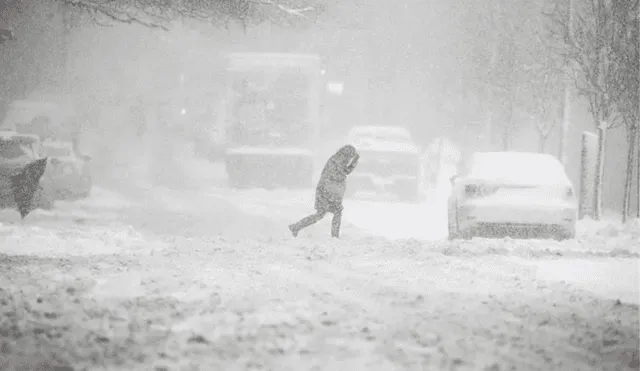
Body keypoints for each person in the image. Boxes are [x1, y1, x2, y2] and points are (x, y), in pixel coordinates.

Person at [289, 144, 360, 238]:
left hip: (330, 191)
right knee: (326, 213)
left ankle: (296, 226)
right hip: (326, 191)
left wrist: (354, 162)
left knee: (324, 214)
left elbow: (346, 171)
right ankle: (334, 236)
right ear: (346, 154)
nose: (349, 159)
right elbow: (339, 174)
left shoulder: (339, 160)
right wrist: (353, 163)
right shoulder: (335, 161)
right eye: (350, 156)